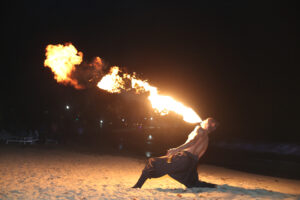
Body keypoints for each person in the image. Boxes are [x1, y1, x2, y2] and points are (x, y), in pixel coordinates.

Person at [132, 117, 218, 188]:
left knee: (153, 162)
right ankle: (213, 186)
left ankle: (137, 186)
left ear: (207, 125)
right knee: (193, 183)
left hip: (183, 159)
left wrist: (176, 150)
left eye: (205, 121)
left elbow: (193, 141)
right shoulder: (206, 140)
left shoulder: (199, 129)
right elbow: (198, 156)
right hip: (191, 163)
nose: (202, 121)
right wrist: (190, 169)